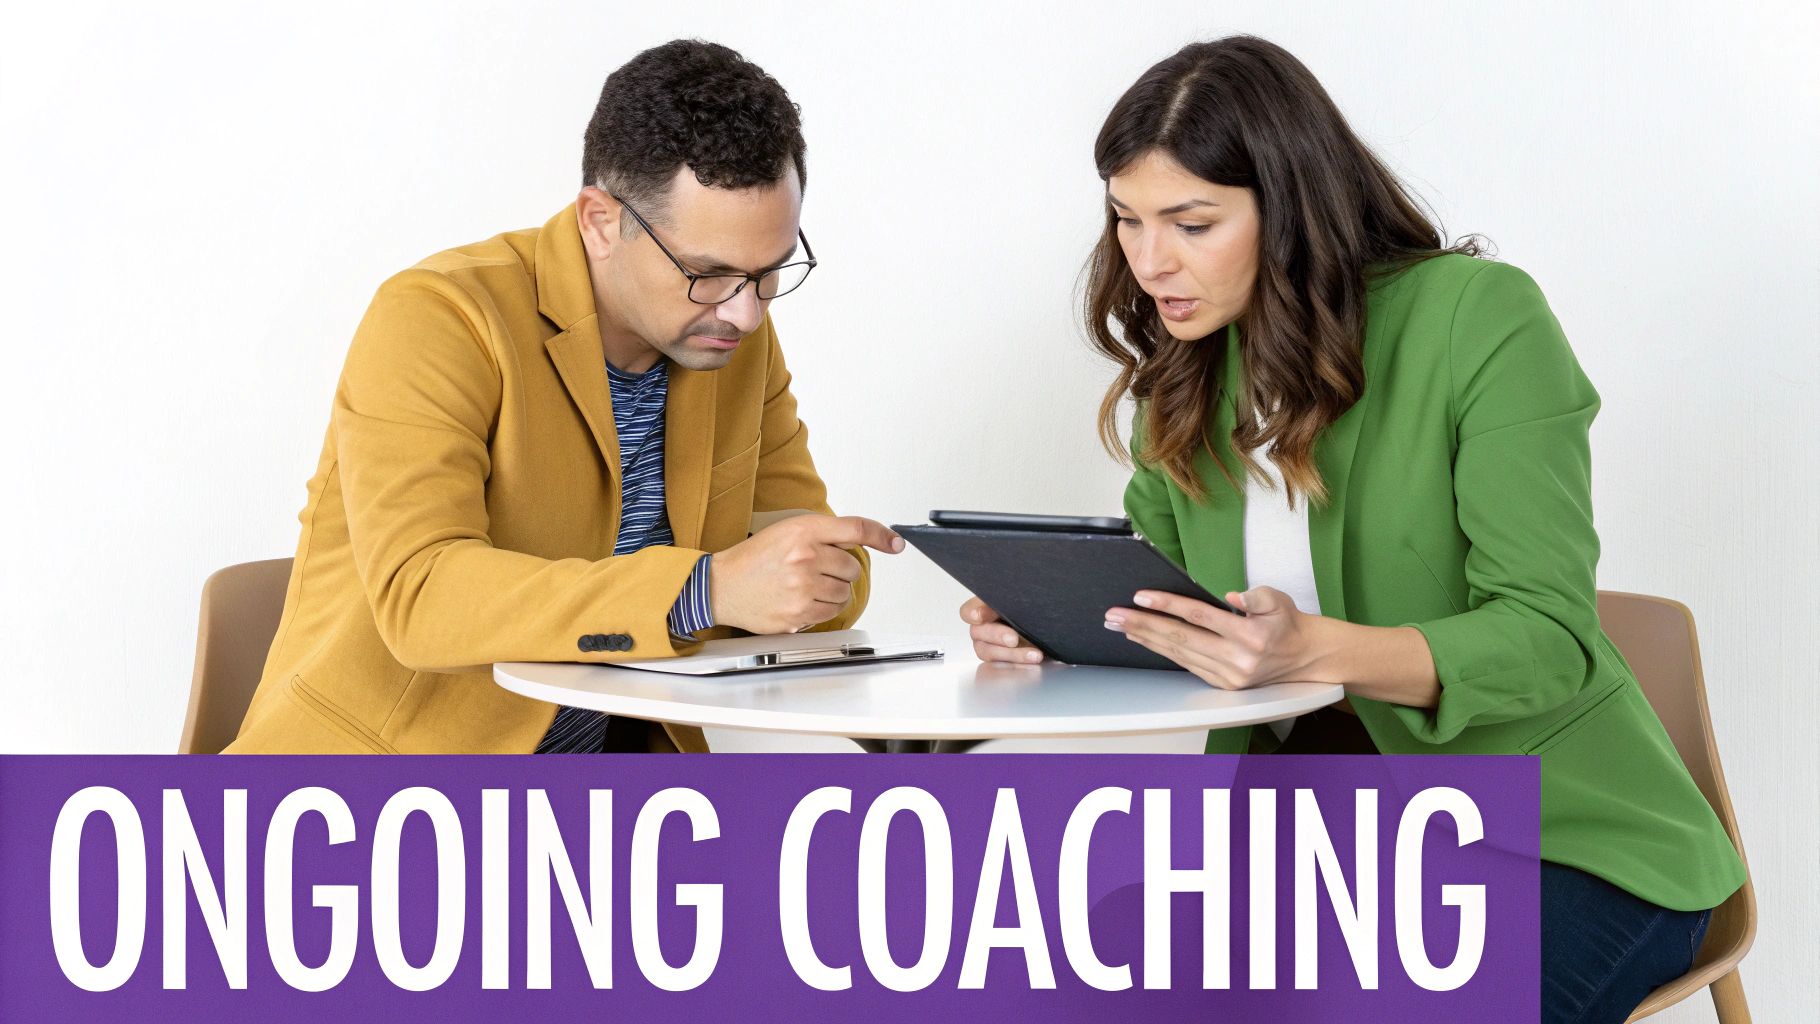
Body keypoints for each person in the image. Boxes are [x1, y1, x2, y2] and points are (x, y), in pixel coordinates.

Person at [960, 36, 1744, 1023]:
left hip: (1554, 841)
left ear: (1289, 205)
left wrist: (1310, 649)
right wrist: (1058, 625)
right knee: (1048, 967)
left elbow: (1548, 637)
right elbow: (1178, 613)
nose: (1149, 262)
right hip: (1312, 842)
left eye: (1191, 223)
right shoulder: (1185, 377)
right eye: (1127, 219)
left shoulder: (1475, 320)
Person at [229, 39, 902, 756]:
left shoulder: (731, 342)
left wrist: (811, 577)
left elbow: (817, 559)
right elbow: (421, 595)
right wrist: (706, 589)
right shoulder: (439, 316)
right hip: (381, 785)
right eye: (707, 273)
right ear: (600, 222)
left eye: (770, 272)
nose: (746, 312)